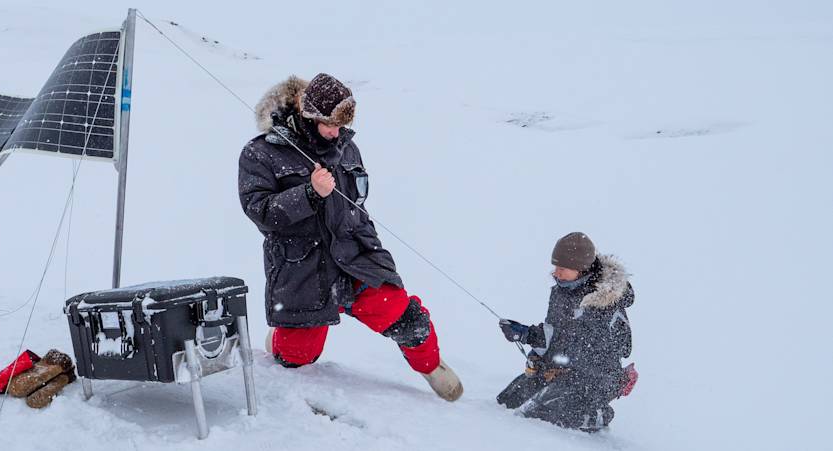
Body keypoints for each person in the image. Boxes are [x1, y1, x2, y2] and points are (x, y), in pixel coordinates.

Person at [237, 73, 463, 401]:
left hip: (354, 259)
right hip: (304, 268)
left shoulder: (347, 148)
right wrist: (309, 193)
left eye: (342, 125)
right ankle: (281, 340)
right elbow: (260, 211)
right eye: (330, 125)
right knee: (296, 357)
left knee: (404, 316)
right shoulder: (261, 153)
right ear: (309, 115)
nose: (336, 132)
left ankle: (432, 367)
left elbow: (358, 208)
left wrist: (378, 259)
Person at [496, 232, 636, 432]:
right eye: (555, 267)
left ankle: (599, 414)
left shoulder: (602, 303)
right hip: (562, 367)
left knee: (543, 415)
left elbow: (597, 350)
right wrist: (525, 334)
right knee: (507, 401)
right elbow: (555, 333)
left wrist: (556, 366)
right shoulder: (561, 292)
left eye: (562, 268)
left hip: (597, 377)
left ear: (581, 268)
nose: (556, 273)